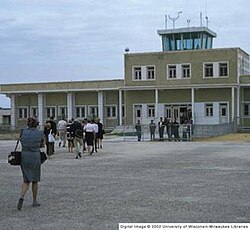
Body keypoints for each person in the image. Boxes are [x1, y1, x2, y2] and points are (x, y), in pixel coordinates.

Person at [17, 117, 44, 211]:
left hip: (24, 156)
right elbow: (42, 145)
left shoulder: (23, 131)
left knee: (26, 180)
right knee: (35, 180)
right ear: (36, 124)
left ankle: (22, 196)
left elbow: (20, 141)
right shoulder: (40, 133)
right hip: (35, 156)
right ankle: (34, 200)